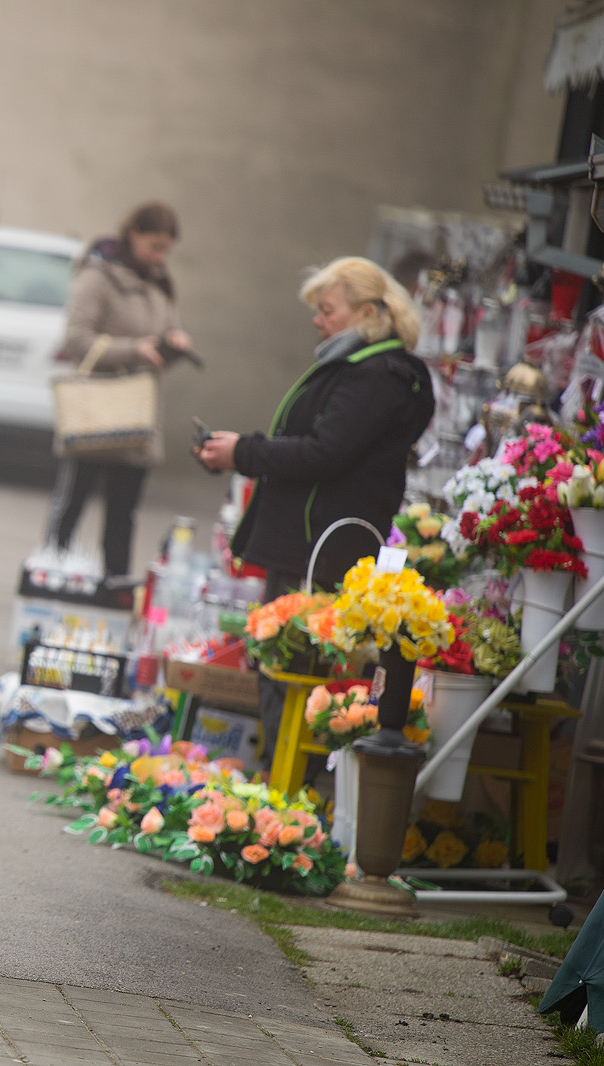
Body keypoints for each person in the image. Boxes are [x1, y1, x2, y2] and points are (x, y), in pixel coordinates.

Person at [195, 256, 434, 757]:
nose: (316, 320)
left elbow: (325, 452)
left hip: (317, 547)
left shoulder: (376, 376)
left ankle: (284, 781)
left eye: (327, 309)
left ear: (368, 312)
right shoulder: (366, 369)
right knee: (287, 665)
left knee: (291, 670)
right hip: (311, 542)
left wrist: (243, 452)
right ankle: (279, 776)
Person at [46, 201, 192, 578]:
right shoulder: (98, 276)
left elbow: (158, 341)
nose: (159, 257)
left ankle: (114, 589)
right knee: (72, 504)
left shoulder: (158, 284)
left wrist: (170, 346)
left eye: (166, 250)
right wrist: (135, 349)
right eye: (154, 247)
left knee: (123, 514)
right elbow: (76, 339)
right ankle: (52, 579)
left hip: (137, 416)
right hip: (95, 413)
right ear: (133, 235)